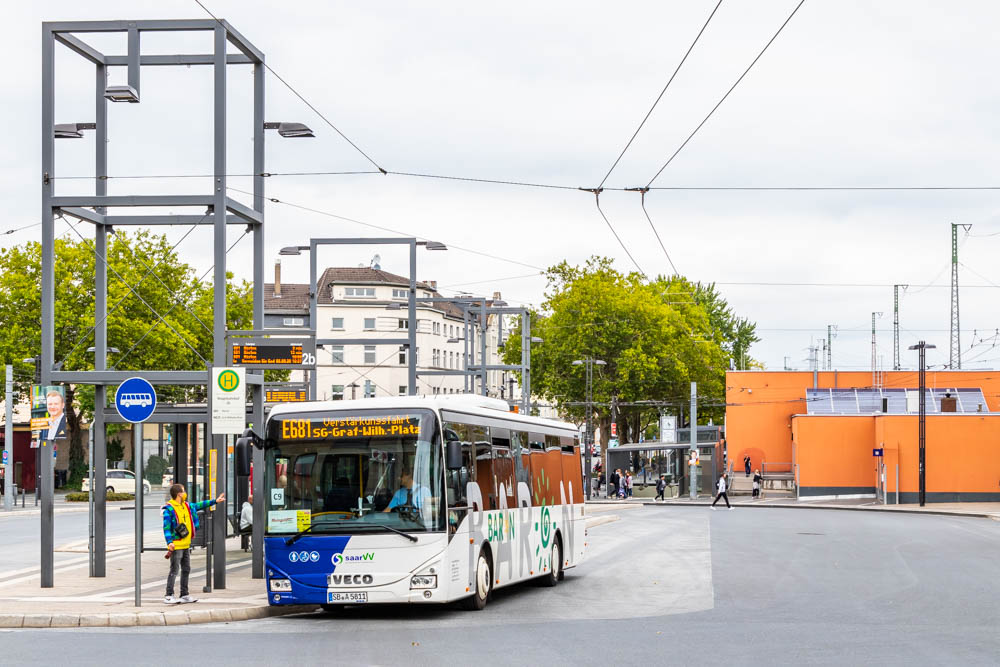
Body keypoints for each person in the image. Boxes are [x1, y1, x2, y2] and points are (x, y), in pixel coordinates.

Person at [162, 483, 225, 604]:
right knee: (174, 570)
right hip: (176, 545)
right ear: (179, 494)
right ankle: (169, 595)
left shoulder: (187, 506)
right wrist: (169, 542)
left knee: (186, 569)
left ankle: (184, 594)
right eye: (184, 491)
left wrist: (215, 501)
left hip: (186, 544)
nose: (185, 493)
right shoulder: (169, 509)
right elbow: (166, 528)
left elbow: (199, 505)